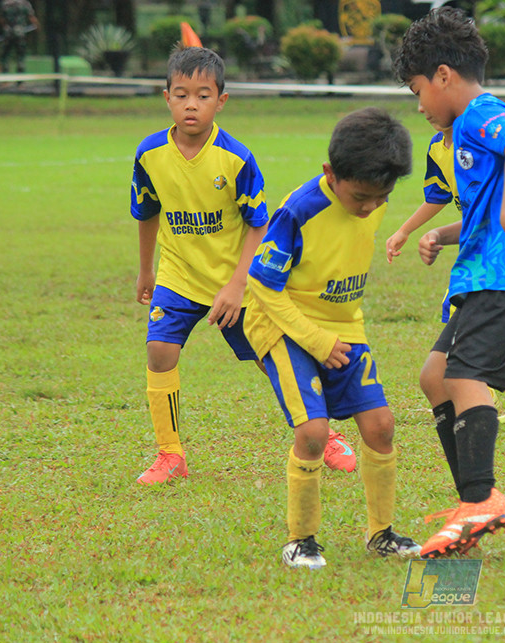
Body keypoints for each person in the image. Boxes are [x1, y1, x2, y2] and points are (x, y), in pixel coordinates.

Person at [130, 47, 354, 486]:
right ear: (166, 97)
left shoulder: (236, 158)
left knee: (271, 359)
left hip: (236, 278)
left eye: (203, 95)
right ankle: (170, 454)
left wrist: (235, 286)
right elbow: (146, 211)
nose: (191, 104)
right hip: (178, 274)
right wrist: (146, 270)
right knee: (159, 350)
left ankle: (325, 434)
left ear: (221, 101)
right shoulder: (149, 153)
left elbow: (259, 226)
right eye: (181, 95)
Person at [393, 7, 505, 558]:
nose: (419, 106)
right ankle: (473, 500)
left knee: (463, 375)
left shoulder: (479, 114)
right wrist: (442, 235)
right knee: (435, 377)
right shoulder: (467, 125)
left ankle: (480, 499)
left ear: (443, 75)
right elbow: (485, 211)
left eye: (418, 90)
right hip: (491, 272)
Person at [243, 107, 420, 569]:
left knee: (380, 426)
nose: (369, 208)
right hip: (284, 323)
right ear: (330, 173)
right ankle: (300, 540)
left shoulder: (373, 200)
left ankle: (381, 534)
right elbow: (262, 284)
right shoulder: (299, 211)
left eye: (381, 198)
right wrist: (315, 340)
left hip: (342, 326)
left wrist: (333, 335)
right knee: (313, 432)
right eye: (360, 197)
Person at [386, 124, 505, 426]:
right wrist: (405, 230)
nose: (423, 108)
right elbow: (437, 195)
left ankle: (488, 396)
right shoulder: (437, 148)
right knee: (488, 321)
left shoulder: (480, 137)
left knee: (471, 314)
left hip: (502, 243)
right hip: (476, 242)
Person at [0, 0, 39, 75]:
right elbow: (31, 17)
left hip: (8, 32)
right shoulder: (25, 3)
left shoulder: (5, 3)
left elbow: (2, 19)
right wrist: (37, 26)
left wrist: (5, 27)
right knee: (21, 55)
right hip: (20, 32)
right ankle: (20, 76)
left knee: (5, 55)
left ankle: (5, 75)